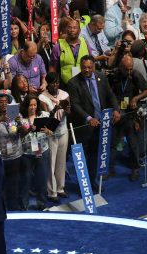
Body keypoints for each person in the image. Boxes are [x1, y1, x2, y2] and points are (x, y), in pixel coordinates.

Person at [67, 55, 120, 189]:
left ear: (94, 66)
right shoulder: (73, 83)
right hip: (85, 127)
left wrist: (116, 109)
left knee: (95, 156)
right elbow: (75, 105)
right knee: (84, 158)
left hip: (102, 125)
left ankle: (92, 182)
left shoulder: (101, 77)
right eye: (84, 67)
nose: (87, 70)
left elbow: (110, 95)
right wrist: (89, 118)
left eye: (89, 67)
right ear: (80, 67)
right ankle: (85, 186)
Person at [0, 90, 23, 211]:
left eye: (6, 101)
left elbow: (22, 132)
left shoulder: (14, 113)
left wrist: (19, 122)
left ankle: (14, 208)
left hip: (15, 154)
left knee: (14, 183)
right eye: (1, 102)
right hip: (0, 157)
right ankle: (0, 208)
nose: (3, 104)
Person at [39, 73, 71, 202]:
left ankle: (60, 188)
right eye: (52, 82)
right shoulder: (42, 97)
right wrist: (55, 109)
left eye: (57, 82)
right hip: (50, 132)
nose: (55, 85)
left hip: (63, 130)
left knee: (61, 161)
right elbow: (46, 117)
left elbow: (69, 111)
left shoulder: (64, 94)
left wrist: (67, 109)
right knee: (50, 162)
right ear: (48, 83)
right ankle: (52, 192)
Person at [50, 19, 92, 87]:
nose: (72, 30)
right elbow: (52, 67)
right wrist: (52, 82)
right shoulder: (58, 47)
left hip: (84, 83)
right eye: (70, 27)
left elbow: (91, 63)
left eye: (75, 27)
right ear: (66, 30)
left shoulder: (86, 44)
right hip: (65, 85)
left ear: (79, 30)